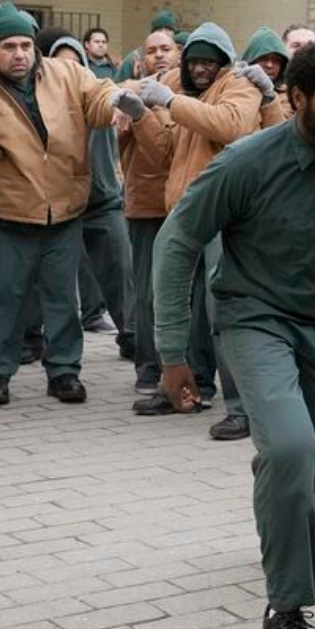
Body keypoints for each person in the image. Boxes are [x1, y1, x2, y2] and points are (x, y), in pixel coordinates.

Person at [150, 40, 315, 629]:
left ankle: (278, 499)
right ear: (296, 99)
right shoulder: (246, 162)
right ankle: (287, 607)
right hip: (253, 318)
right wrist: (172, 351)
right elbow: (178, 241)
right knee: (291, 449)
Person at [0, 2, 136, 407]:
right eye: (8, 46)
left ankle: (64, 372)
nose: (19, 54)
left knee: (61, 295)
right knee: (5, 295)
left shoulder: (67, 73)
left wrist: (116, 100)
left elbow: (97, 95)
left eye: (25, 45)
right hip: (8, 209)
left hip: (65, 206)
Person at [132, 22, 281, 440]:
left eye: (208, 61)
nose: (200, 68)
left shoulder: (240, 85)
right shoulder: (188, 96)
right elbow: (165, 153)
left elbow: (231, 125)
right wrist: (140, 115)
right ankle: (183, 386)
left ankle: (243, 408)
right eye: (194, 61)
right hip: (187, 214)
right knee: (173, 304)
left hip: (228, 218)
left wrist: (171, 101)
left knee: (223, 310)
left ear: (223, 61)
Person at [45, 35, 135, 365]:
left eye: (74, 63)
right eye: (59, 63)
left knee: (120, 272)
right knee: (55, 283)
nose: (67, 69)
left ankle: (132, 336)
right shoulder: (43, 105)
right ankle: (51, 348)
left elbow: (118, 95)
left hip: (103, 201)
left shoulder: (99, 98)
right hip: (60, 206)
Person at [117, 29, 180, 396]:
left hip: (184, 204)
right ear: (141, 62)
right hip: (146, 205)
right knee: (147, 293)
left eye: (166, 49)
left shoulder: (189, 97)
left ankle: (185, 365)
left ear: (179, 54)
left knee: (184, 293)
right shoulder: (130, 97)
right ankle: (147, 366)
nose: (159, 55)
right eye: (152, 50)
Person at [243, 26, 295, 120]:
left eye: (276, 60)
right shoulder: (233, 84)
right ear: (251, 60)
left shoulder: (287, 96)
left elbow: (281, 126)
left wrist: (269, 95)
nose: (269, 65)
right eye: (263, 58)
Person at [116, 10, 177, 82]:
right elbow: (117, 85)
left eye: (168, 29)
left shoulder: (180, 56)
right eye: (159, 29)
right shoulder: (133, 59)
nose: (163, 32)